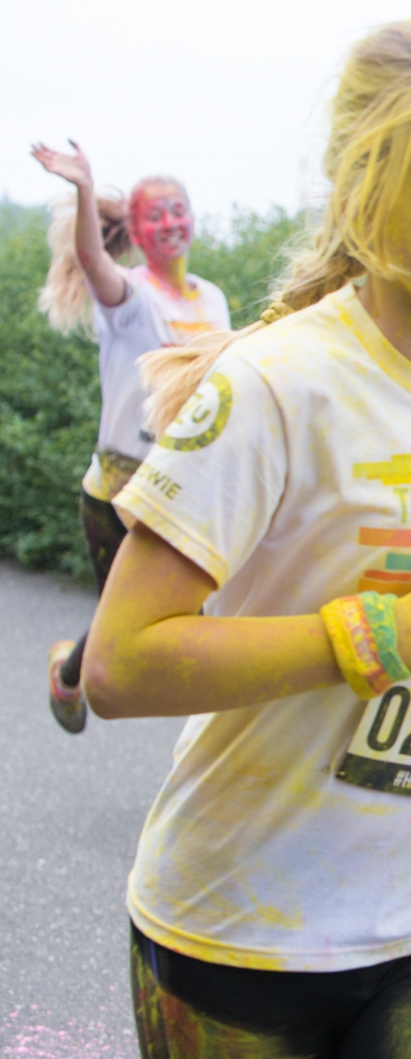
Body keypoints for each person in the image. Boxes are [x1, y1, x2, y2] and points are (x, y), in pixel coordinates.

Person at [80, 13, 411, 1059]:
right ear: (363, 191)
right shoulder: (277, 384)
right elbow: (120, 664)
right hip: (242, 924)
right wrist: (380, 638)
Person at [30, 141, 230, 734]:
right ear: (137, 232)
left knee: (190, 614)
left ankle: (217, 738)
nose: (170, 223)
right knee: (124, 635)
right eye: (155, 215)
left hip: (187, 485)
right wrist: (86, 190)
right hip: (121, 489)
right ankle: (70, 676)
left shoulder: (212, 298)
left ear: (191, 219)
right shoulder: (130, 296)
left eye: (178, 211)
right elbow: (92, 261)